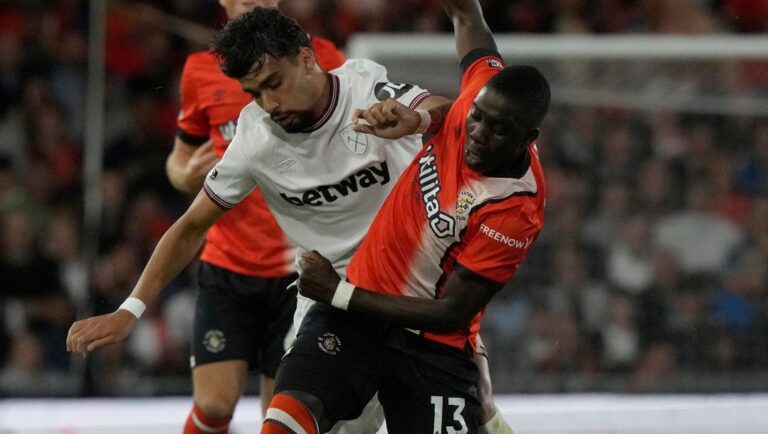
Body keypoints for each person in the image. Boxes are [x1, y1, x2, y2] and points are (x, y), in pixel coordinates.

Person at [66, 6, 447, 434]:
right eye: (254, 94)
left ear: (306, 60)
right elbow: (190, 225)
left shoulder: (364, 86)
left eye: (273, 85)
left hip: (417, 296)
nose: (269, 105)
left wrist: (418, 118)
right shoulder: (254, 139)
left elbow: (445, 111)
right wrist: (128, 311)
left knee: (470, 417)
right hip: (332, 299)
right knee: (282, 422)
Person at [264, 0, 550, 432]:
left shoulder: (515, 209)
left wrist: (337, 292)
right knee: (285, 420)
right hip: (356, 317)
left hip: (431, 346)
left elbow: (451, 312)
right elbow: (466, 15)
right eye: (476, 117)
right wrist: (421, 119)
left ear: (528, 139)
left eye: (498, 130)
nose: (476, 132)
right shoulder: (485, 90)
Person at [165, 0, 345, 432]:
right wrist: (186, 177)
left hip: (297, 275)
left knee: (280, 416)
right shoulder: (199, 71)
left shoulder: (322, 57)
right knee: (211, 406)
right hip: (228, 265)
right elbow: (178, 162)